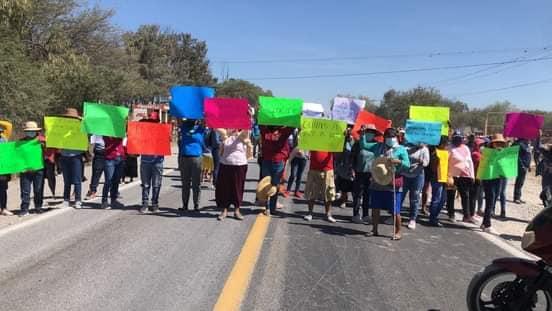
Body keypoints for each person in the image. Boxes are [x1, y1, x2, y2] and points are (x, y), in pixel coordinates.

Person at [369, 128, 410, 240]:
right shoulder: (379, 146)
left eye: (392, 137)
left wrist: (399, 161)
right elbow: (364, 145)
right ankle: (374, 229)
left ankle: (398, 232)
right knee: (375, 208)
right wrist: (363, 134)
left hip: (393, 183)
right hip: (378, 180)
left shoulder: (401, 149)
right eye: (388, 137)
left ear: (397, 138)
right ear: (384, 138)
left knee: (395, 210)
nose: (390, 139)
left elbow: (407, 164)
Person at [216, 129, 253, 220]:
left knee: (238, 187)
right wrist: (226, 135)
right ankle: (224, 210)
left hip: (240, 164)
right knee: (225, 188)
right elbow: (220, 152)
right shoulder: (225, 133)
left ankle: (237, 210)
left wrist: (238, 133)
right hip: (225, 164)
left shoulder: (244, 133)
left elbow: (245, 133)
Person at [259, 125, 293, 216]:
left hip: (278, 163)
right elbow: (260, 121)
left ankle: (272, 207)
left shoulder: (283, 132)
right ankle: (267, 207)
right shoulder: (265, 130)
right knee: (266, 185)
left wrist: (297, 114)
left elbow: (292, 126)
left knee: (275, 185)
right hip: (266, 161)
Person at [351, 124, 381, 224]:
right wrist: (352, 169)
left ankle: (365, 214)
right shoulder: (358, 144)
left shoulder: (377, 145)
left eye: (372, 132)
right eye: (368, 132)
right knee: (357, 194)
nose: (370, 134)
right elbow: (352, 158)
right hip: (359, 172)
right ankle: (355, 214)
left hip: (371, 174)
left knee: (368, 194)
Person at [58, 108, 85, 209]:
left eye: (72, 118)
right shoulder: (61, 129)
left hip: (76, 156)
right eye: (68, 118)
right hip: (64, 156)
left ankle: (78, 200)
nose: (70, 120)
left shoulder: (80, 128)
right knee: (67, 180)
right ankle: (66, 200)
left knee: (77, 180)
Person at [481, 134, 508, 232]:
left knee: (493, 200)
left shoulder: (502, 153)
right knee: (490, 200)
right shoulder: (487, 152)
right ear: (493, 143)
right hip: (489, 179)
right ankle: (487, 224)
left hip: (498, 179)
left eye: (501, 143)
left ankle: (485, 223)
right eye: (497, 143)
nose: (499, 144)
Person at [448, 131, 476, 223]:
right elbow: (446, 162)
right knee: (451, 195)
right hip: (453, 175)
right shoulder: (449, 148)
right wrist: (447, 176)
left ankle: (466, 216)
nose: (458, 140)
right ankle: (451, 214)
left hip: (465, 175)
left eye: (460, 138)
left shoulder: (466, 148)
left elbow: (470, 162)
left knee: (465, 195)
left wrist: (472, 175)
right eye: (456, 138)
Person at [18, 121, 45, 216]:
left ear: (36, 131)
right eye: (29, 131)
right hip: (25, 170)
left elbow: (48, 153)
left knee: (38, 189)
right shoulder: (20, 143)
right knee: (25, 190)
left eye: (33, 131)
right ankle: (24, 209)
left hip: (39, 169)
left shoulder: (42, 141)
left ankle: (38, 207)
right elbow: (16, 156)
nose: (31, 133)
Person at [139, 115, 165, 213]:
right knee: (145, 184)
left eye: (154, 122)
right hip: (145, 161)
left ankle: (154, 204)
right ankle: (145, 203)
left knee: (156, 184)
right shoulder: (144, 132)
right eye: (150, 121)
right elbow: (138, 124)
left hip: (158, 162)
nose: (152, 124)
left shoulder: (162, 131)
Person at [401, 142, 429, 230]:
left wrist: (421, 161)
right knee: (400, 196)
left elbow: (426, 163)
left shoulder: (424, 149)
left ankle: (412, 219)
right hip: (405, 175)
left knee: (415, 198)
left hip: (417, 176)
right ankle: (395, 216)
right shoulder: (405, 147)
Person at [303, 150, 337, 223]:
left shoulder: (331, 139)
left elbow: (337, 152)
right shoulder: (314, 139)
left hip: (328, 169)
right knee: (312, 192)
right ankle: (310, 213)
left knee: (328, 193)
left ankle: (328, 214)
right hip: (314, 169)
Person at [179, 119, 205, 212]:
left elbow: (205, 120)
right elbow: (179, 118)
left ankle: (196, 205)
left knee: (196, 184)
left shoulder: (200, 128)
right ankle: (185, 205)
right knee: (185, 183)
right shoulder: (184, 127)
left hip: (196, 158)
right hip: (184, 157)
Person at [428, 136, 450, 227]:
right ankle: (432, 218)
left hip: (445, 179)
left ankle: (434, 216)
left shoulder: (446, 153)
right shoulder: (435, 153)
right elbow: (433, 168)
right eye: (445, 144)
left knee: (443, 199)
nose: (446, 145)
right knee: (436, 199)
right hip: (436, 178)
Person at [101, 136, 125, 209]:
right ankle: (104, 201)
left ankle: (113, 200)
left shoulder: (119, 129)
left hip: (120, 157)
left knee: (116, 180)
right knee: (108, 180)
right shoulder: (106, 132)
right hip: (109, 158)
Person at [334, 127, 354, 208]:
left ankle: (355, 201)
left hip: (352, 166)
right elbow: (338, 154)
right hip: (343, 167)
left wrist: (351, 140)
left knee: (354, 186)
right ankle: (343, 200)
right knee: (344, 186)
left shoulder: (354, 140)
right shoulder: (341, 141)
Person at [285, 129, 308, 198]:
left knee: (299, 175)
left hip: (304, 157)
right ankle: (288, 190)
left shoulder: (308, 133)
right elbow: (293, 141)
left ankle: (296, 191)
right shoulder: (295, 131)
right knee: (293, 174)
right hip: (295, 156)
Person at [85, 135, 105, 200]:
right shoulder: (96, 126)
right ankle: (92, 190)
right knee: (96, 172)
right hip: (99, 152)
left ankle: (114, 190)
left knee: (111, 174)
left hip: (111, 152)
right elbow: (90, 137)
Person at [0, 124, 13, 216]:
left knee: (3, 189)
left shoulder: (4, 140)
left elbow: (8, 125)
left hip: (3, 169)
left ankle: (3, 208)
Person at [513, 138, 531, 204]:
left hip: (525, 166)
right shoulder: (520, 144)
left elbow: (528, 155)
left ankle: (519, 197)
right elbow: (517, 156)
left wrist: (528, 166)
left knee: (521, 182)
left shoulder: (526, 144)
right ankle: (516, 198)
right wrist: (522, 165)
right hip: (521, 166)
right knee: (519, 181)